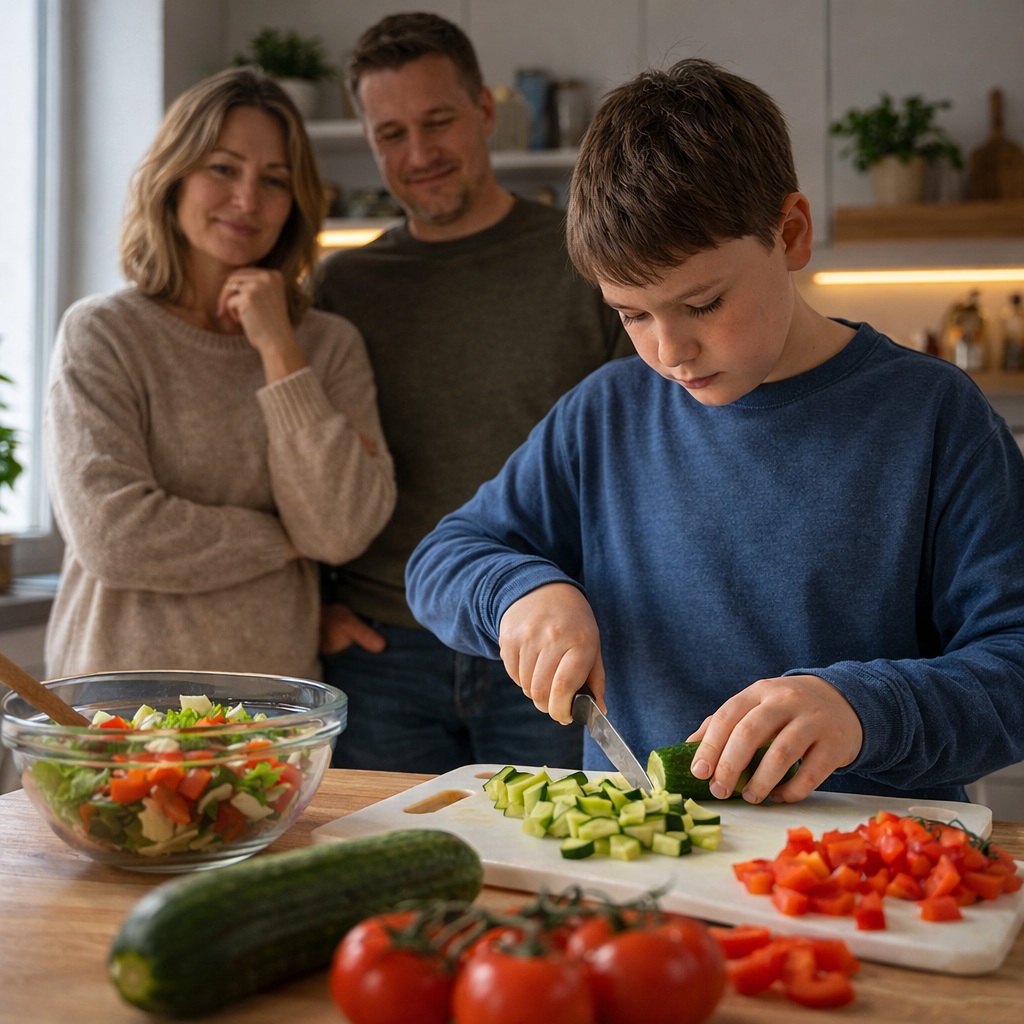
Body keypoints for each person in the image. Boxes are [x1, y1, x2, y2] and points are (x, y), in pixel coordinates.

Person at [406, 59, 1024, 804]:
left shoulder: (935, 415)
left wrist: (863, 711)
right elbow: (441, 559)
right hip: (645, 872)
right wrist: (519, 593)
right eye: (632, 314)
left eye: (701, 303)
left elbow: (1014, 664)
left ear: (790, 234)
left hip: (868, 871)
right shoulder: (605, 413)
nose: (670, 352)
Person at [314, 13, 632, 773]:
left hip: (547, 645)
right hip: (382, 653)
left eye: (438, 121)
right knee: (390, 879)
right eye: (391, 133)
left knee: (555, 875)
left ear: (485, 113)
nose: (418, 154)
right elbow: (304, 463)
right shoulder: (343, 285)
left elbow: (645, 451)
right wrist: (314, 604)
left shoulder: (584, 259)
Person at [44, 68, 396, 681]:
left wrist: (280, 351)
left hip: (275, 709)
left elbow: (338, 532)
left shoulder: (328, 344)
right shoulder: (103, 333)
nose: (247, 200)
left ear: (295, 203)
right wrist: (287, 539)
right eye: (223, 168)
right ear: (174, 175)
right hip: (115, 703)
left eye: (274, 180)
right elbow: (113, 536)